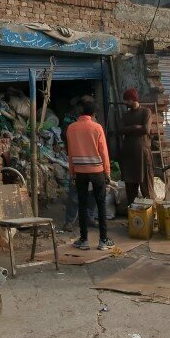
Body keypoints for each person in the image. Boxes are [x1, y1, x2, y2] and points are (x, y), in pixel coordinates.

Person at [65, 98, 114, 251]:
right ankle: (103, 241)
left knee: (82, 202)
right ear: (93, 114)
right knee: (101, 205)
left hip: (80, 172)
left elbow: (71, 153)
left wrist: (72, 172)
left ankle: (84, 240)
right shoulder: (97, 128)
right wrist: (107, 173)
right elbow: (103, 152)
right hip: (97, 171)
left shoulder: (71, 128)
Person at [118, 88, 155, 204]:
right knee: (130, 189)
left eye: (127, 100)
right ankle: (134, 217)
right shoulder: (126, 114)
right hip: (128, 155)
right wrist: (135, 127)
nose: (125, 103)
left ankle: (152, 215)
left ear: (134, 100)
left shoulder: (146, 112)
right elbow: (120, 130)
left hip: (142, 154)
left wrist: (130, 129)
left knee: (147, 187)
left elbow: (145, 129)